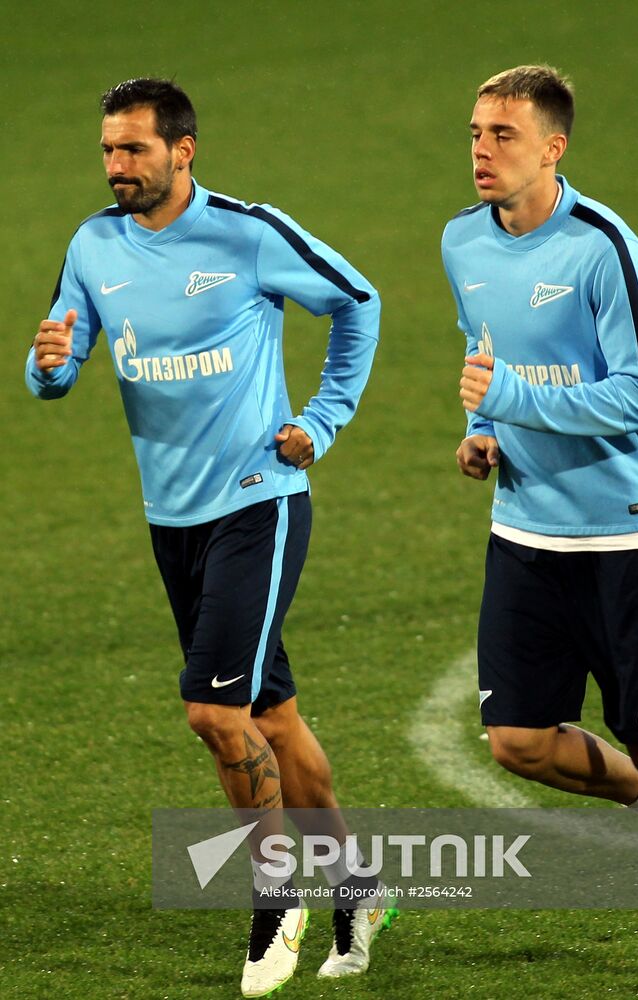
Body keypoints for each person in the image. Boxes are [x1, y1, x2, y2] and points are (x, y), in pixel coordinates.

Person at [25, 77, 396, 998]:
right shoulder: (92, 244)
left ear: (183, 150)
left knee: (213, 712)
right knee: (270, 713)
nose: (117, 167)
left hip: (256, 500)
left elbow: (357, 300)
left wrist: (326, 417)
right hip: (172, 519)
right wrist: (48, 368)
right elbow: (62, 360)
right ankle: (357, 882)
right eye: (108, 150)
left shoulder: (246, 230)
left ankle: (279, 903)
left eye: (134, 150)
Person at [441, 65, 638, 999]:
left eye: (501, 135)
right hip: (525, 528)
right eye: (474, 132)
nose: (482, 151)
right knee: (517, 740)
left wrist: (511, 397)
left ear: (552, 147)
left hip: (626, 530)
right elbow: (487, 358)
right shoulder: (462, 241)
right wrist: (485, 432)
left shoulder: (601, 246)